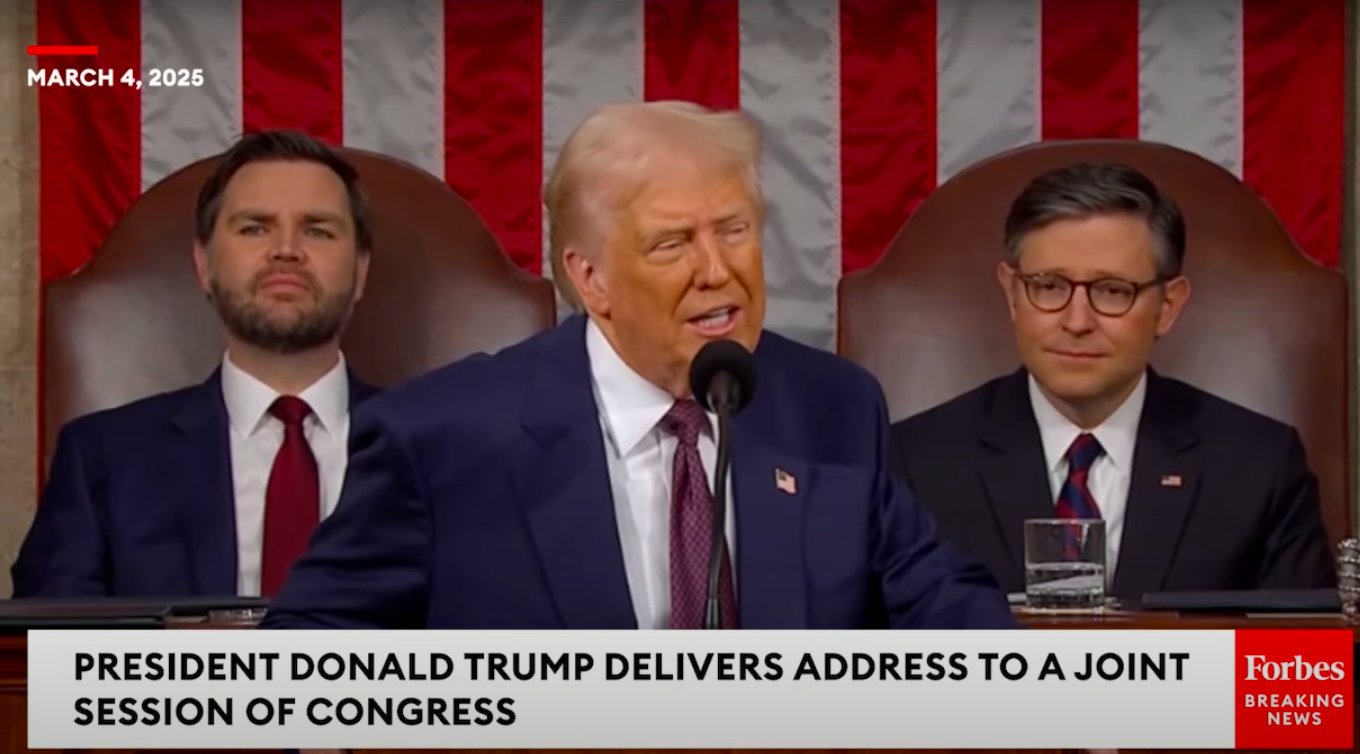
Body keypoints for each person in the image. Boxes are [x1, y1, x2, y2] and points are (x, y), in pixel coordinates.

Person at [259, 101, 1014, 630]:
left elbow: (941, 600)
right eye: (672, 244)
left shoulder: (832, 406)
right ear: (590, 279)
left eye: (735, 230)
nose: (718, 270)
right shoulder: (443, 436)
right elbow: (310, 652)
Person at [890, 162, 1334, 598]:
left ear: (1168, 306)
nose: (1077, 321)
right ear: (1012, 294)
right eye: (1048, 286)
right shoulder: (914, 463)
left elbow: (1299, 668)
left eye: (1113, 290)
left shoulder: (1258, 465)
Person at [12, 130, 379, 599]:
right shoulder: (102, 459)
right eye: (254, 227)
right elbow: (45, 657)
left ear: (360, 271)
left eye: (318, 230)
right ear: (204, 265)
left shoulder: (444, 452)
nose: (287, 249)